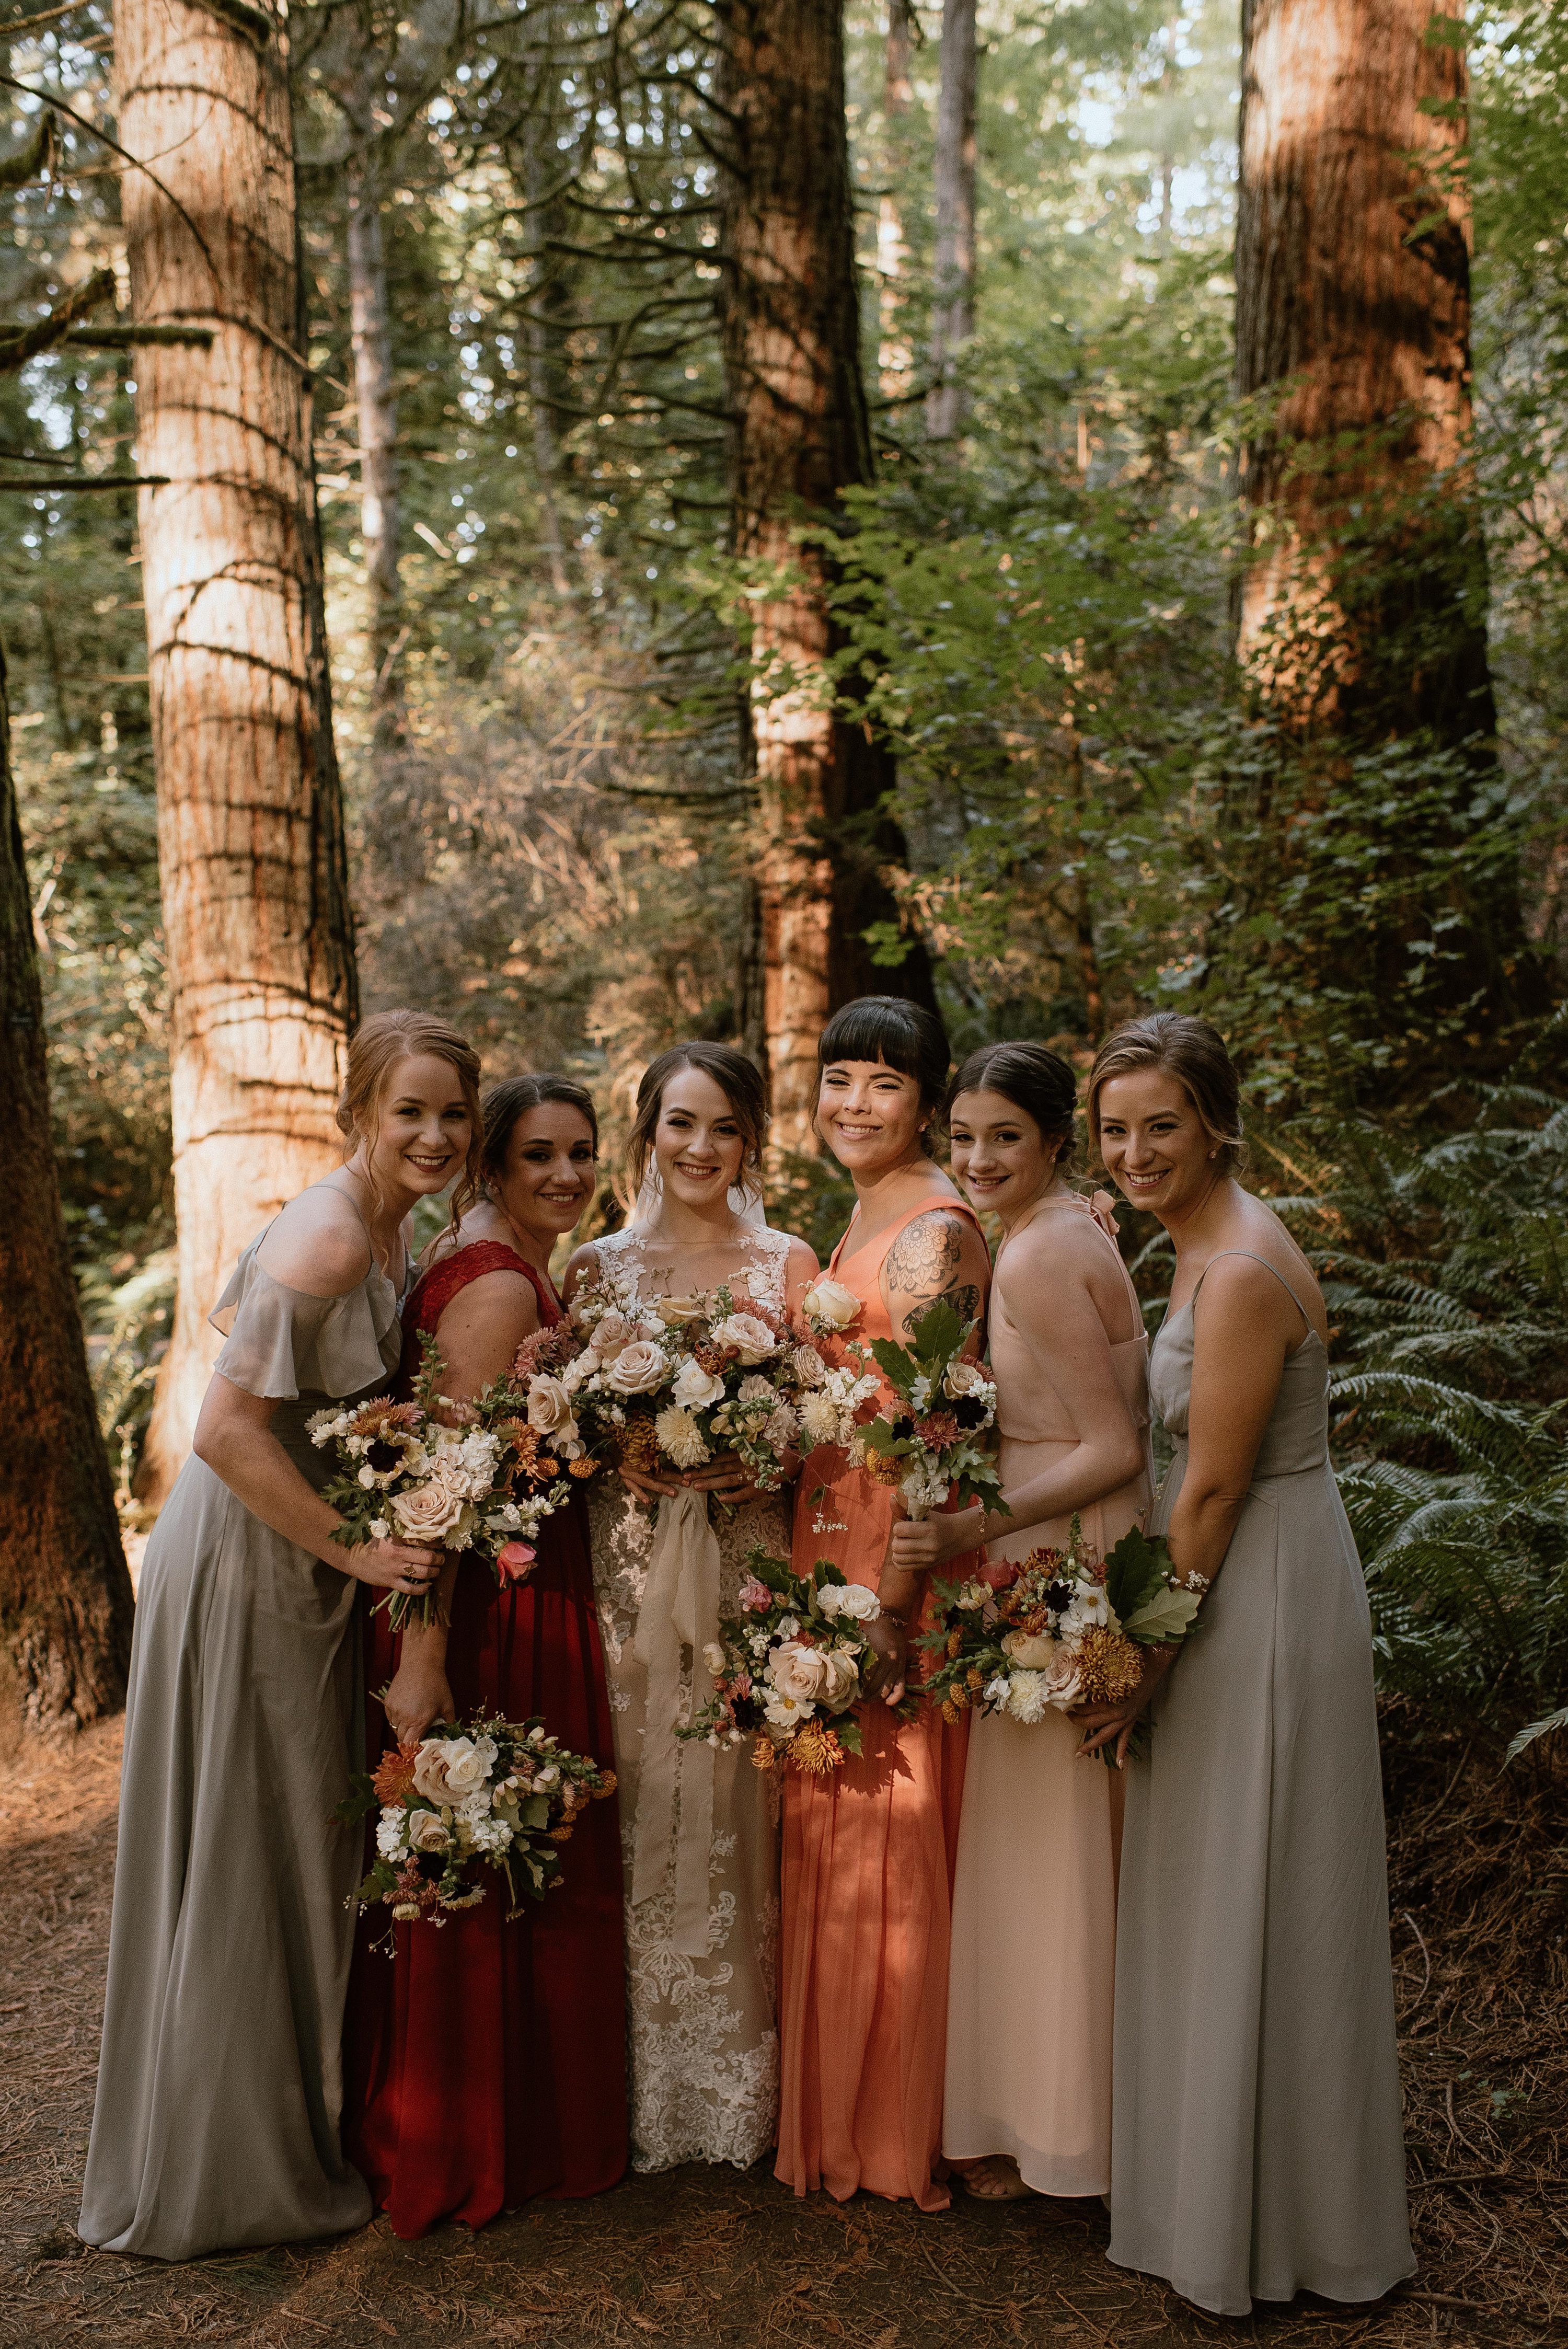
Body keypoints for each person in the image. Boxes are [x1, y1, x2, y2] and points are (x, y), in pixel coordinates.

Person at [79, 1009, 473, 2261]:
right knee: (257, 1845)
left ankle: (275, 2131)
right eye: (409, 1109)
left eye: (453, 1113)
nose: (434, 1133)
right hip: (255, 1551)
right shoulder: (327, 1231)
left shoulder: (399, 1223)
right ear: (360, 1107)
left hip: (299, 1552)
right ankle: (229, 2173)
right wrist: (357, 1551)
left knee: (293, 1840)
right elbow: (226, 1428)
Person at [1081, 1011, 1413, 2316]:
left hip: (1255, 1589)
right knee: (1234, 1883)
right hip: (1242, 1569)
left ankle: (1278, 2229)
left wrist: (1149, 1656)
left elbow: (1212, 1488)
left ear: (1217, 1119)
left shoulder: (1243, 1273)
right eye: (1114, 1130)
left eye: (1162, 1124)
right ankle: (1224, 2201)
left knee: (1264, 1880)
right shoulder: (1198, 1247)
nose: (1135, 1150)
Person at [343, 1073, 627, 2236]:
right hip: (485, 1611)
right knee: (486, 1832)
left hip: (517, 1587)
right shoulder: (499, 1285)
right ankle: (468, 2135)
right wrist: (422, 1662)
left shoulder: (490, 1252)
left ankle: (495, 2112)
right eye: (537, 1157)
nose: (564, 1175)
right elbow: (442, 1490)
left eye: (580, 1153)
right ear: (493, 1167)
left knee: (504, 1841)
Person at [891, 1042, 1152, 2202]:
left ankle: (1062, 2130)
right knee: (1080, 1841)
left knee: (1051, 1852)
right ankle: (1085, 2114)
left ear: (1054, 1139)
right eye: (962, 1136)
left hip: (1054, 1553)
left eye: (1005, 1135)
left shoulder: (1043, 1256)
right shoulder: (1069, 1229)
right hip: (1068, 1545)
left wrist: (966, 1533)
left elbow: (1113, 1446)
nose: (978, 1157)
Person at [564, 1043, 819, 2173]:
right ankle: (630, 2081)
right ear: (649, 1133)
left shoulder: (787, 1262)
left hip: (744, 1557)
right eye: (680, 1124)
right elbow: (559, 1429)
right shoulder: (595, 1270)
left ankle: (733, 2088)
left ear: (753, 1139)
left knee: (732, 1790)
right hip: (627, 1560)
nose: (701, 1148)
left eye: (723, 1127)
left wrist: (763, 1455)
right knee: (635, 1776)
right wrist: (624, 1442)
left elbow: (826, 1423)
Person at [775, 996, 991, 2213]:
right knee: (843, 1819)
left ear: (928, 1100)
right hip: (832, 1539)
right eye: (837, 1078)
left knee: (888, 1830)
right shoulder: (865, 1215)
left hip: (889, 1554)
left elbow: (937, 1424)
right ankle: (842, 2111)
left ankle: (889, 2123)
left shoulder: (931, 1232)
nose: (853, 1103)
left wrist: (898, 1600)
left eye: (883, 1084)